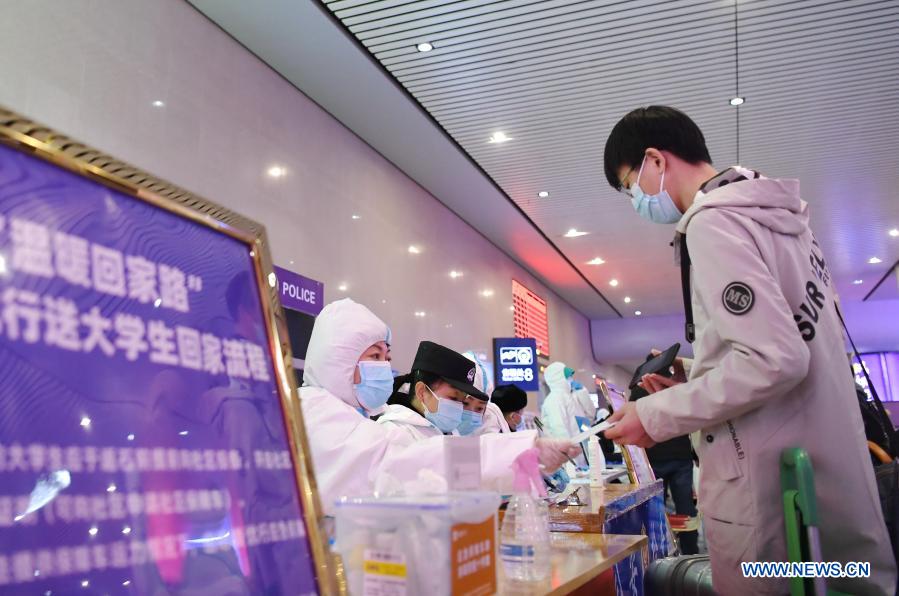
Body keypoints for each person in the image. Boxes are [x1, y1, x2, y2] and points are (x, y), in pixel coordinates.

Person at [602, 105, 896, 594]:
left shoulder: (713, 224)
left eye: (631, 183)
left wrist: (653, 414)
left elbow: (773, 360)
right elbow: (788, 340)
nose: (637, 199)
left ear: (655, 160)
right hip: (826, 482)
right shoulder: (778, 218)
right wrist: (698, 374)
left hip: (776, 496)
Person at [299, 298, 579, 514]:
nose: (385, 367)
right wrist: (522, 453)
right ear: (339, 361)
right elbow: (405, 465)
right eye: (374, 355)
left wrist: (523, 454)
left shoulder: (351, 417)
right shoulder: (314, 410)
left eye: (387, 356)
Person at [377, 341, 490, 441]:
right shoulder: (395, 434)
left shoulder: (449, 432)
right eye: (454, 398)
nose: (459, 408)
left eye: (462, 401)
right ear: (421, 392)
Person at [540, 362, 580, 440]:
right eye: (567, 377)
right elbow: (559, 428)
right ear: (557, 378)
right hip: (567, 449)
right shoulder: (554, 399)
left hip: (577, 446)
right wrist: (568, 448)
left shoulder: (567, 397)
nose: (571, 379)